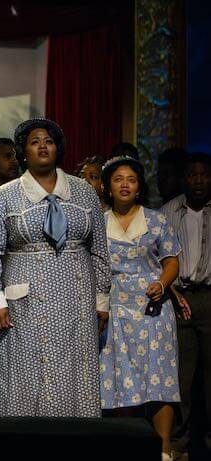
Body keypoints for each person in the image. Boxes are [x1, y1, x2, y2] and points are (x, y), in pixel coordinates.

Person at [0, 118, 111, 417]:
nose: (42, 146)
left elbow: (100, 250)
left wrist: (102, 300)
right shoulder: (3, 196)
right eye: (34, 141)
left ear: (57, 148)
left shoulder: (84, 192)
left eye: (48, 141)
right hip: (24, 301)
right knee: (25, 367)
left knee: (76, 369)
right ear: (23, 151)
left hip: (76, 296)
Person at [99, 155, 186, 461]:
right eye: (118, 179)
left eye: (132, 179)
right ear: (109, 186)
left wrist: (162, 284)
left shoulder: (156, 220)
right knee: (119, 377)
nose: (125, 184)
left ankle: (163, 449)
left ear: (139, 187)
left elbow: (172, 259)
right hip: (115, 307)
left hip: (153, 308)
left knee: (159, 378)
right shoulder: (100, 222)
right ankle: (128, 447)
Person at [161, 152, 211, 459]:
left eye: (204, 174)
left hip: (209, 296)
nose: (198, 180)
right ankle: (179, 442)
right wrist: (171, 292)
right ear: (184, 178)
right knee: (181, 374)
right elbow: (157, 257)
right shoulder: (168, 211)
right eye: (192, 174)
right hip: (178, 299)